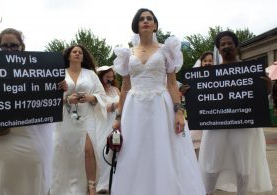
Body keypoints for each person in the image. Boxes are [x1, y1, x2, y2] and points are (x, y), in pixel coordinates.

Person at [110, 8, 205, 195]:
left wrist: (179, 112)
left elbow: (171, 85)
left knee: (163, 151)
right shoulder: (127, 53)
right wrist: (118, 116)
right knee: (134, 152)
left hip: (161, 106)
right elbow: (124, 87)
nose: (145, 21)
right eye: (141, 19)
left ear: (155, 25)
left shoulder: (166, 50)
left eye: (149, 19)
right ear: (136, 25)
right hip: (133, 108)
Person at [0, 28, 64, 195]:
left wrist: (57, 89)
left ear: (22, 47)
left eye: (14, 45)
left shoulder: (38, 71)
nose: (9, 49)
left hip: (30, 139)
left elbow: (48, 107)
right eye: (5, 46)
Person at [198, 31, 273, 195]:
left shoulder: (252, 72)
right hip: (217, 123)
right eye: (222, 44)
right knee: (212, 163)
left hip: (244, 123)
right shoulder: (210, 75)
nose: (226, 46)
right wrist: (190, 92)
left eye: (229, 43)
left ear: (236, 46)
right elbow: (202, 98)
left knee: (243, 164)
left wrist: (266, 89)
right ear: (218, 49)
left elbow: (258, 100)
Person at [51, 44, 107, 195]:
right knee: (65, 151)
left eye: (80, 52)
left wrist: (90, 97)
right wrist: (67, 99)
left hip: (87, 116)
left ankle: (91, 187)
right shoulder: (59, 73)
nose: (77, 54)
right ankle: (65, 187)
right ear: (68, 56)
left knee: (89, 150)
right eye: (74, 52)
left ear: (83, 57)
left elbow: (101, 95)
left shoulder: (90, 74)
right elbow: (51, 98)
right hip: (65, 118)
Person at [94, 65, 120, 194]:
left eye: (111, 76)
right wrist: (117, 105)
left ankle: (114, 180)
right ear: (101, 77)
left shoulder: (116, 89)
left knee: (116, 151)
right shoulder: (98, 91)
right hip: (103, 123)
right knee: (102, 149)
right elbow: (101, 109)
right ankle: (102, 182)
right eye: (107, 76)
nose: (110, 78)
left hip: (116, 123)